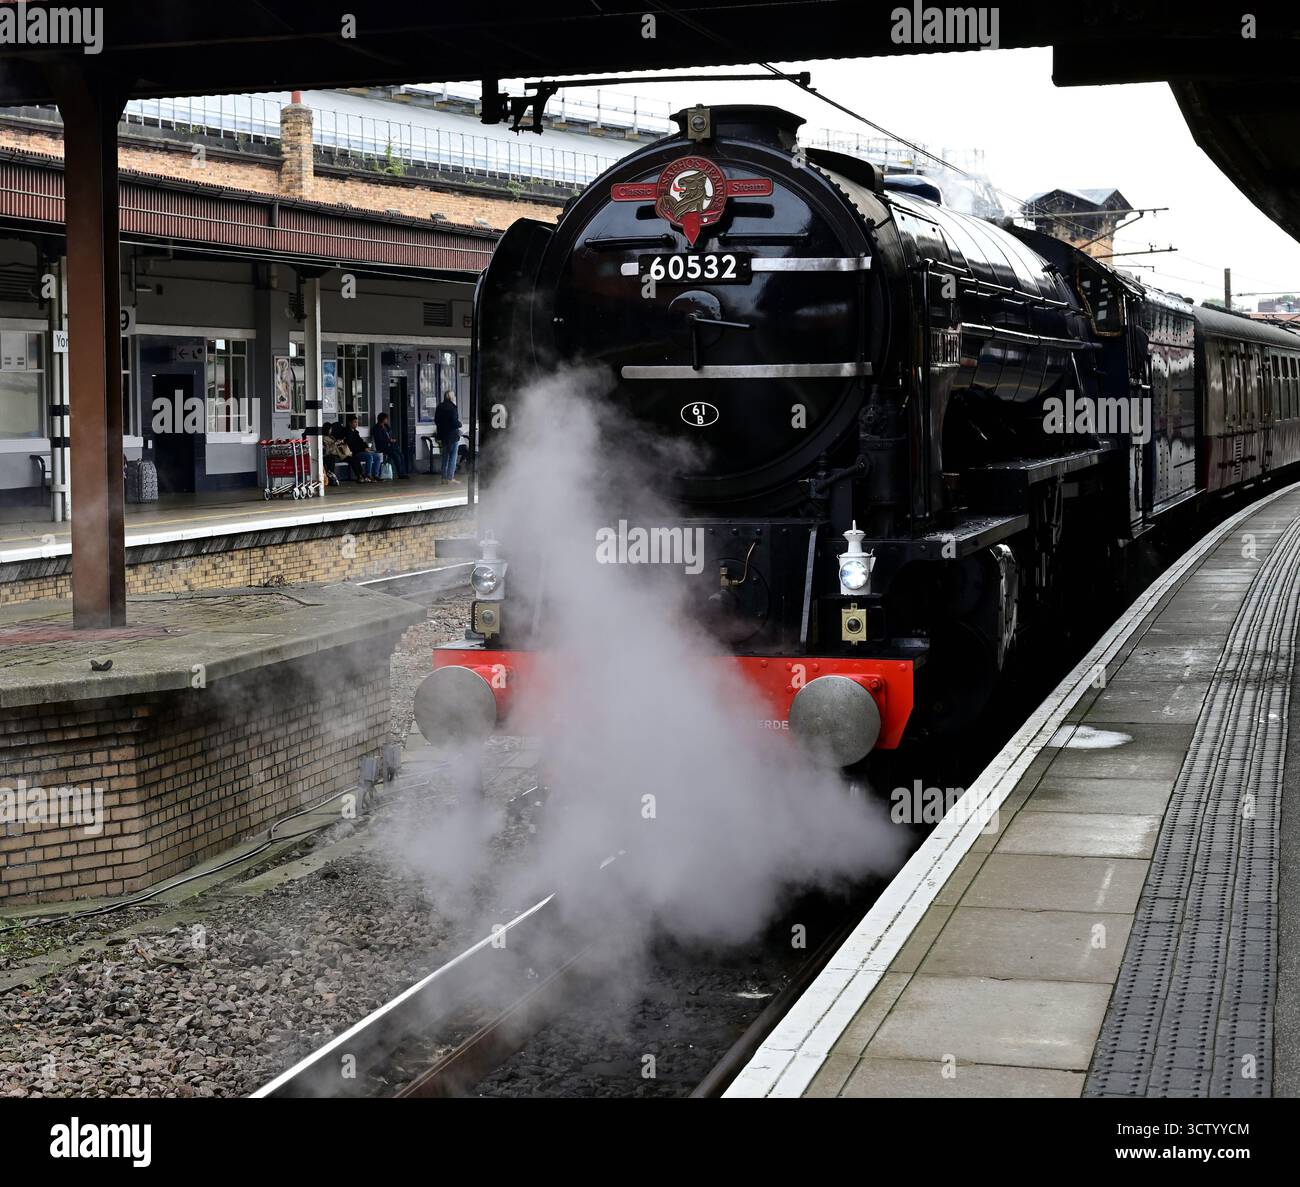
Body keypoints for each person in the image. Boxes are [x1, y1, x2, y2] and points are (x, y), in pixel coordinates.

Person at [434, 391, 462, 483]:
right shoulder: (453, 407)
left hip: (443, 436)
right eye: (453, 395)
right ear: (451, 397)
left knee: (445, 456)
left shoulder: (439, 407)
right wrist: (459, 424)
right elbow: (454, 422)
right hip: (452, 435)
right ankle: (450, 477)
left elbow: (436, 420)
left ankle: (443, 478)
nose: (454, 397)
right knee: (453, 456)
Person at [344, 415, 381, 482]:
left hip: (362, 451)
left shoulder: (356, 432)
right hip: (355, 453)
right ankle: (368, 475)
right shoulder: (347, 433)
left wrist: (366, 447)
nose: (356, 424)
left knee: (377, 456)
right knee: (369, 456)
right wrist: (363, 449)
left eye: (356, 422)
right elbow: (352, 446)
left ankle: (375, 475)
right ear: (350, 423)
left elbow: (361, 442)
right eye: (354, 422)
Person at [371, 412, 408, 479]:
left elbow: (389, 434)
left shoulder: (386, 426)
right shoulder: (376, 428)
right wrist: (389, 440)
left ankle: (403, 472)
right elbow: (379, 439)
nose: (387, 420)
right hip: (383, 446)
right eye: (386, 419)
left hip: (390, 445)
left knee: (401, 454)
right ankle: (400, 473)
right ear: (383, 419)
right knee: (396, 455)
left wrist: (391, 440)